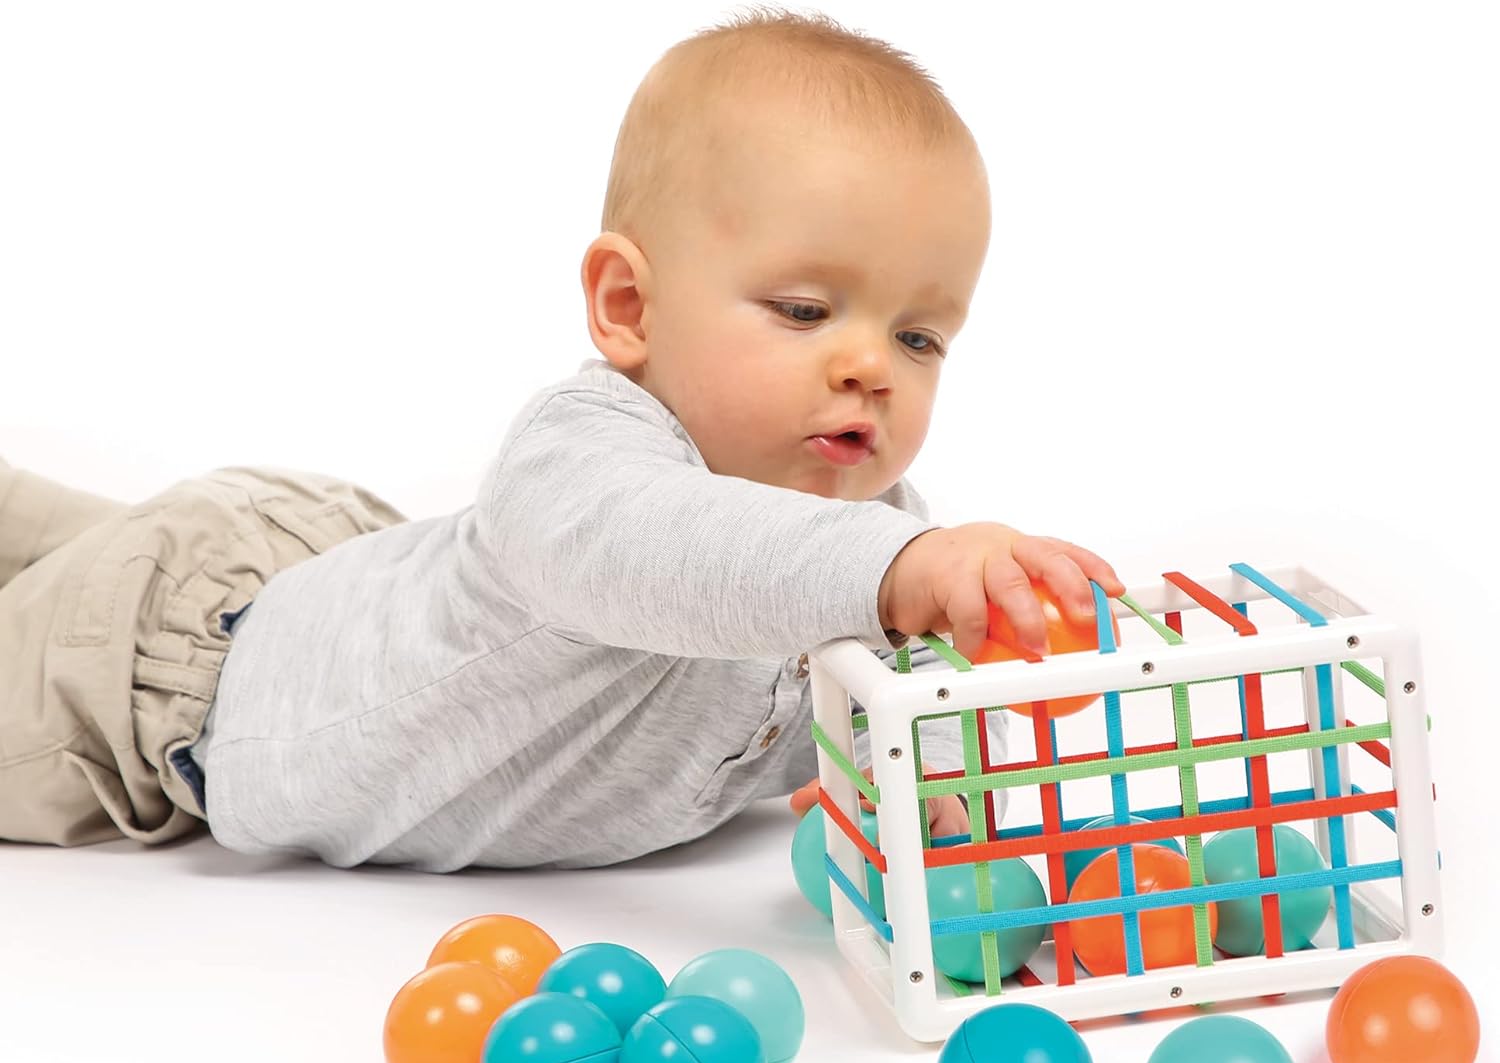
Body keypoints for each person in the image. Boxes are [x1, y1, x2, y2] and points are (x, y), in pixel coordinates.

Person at [0, 10, 1122, 871]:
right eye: (803, 310)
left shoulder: (877, 538)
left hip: (324, 573)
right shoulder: (582, 460)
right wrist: (902, 573)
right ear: (629, 308)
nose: (872, 365)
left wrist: (952, 813)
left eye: (920, 336)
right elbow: (676, 553)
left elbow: (885, 718)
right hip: (164, 684)